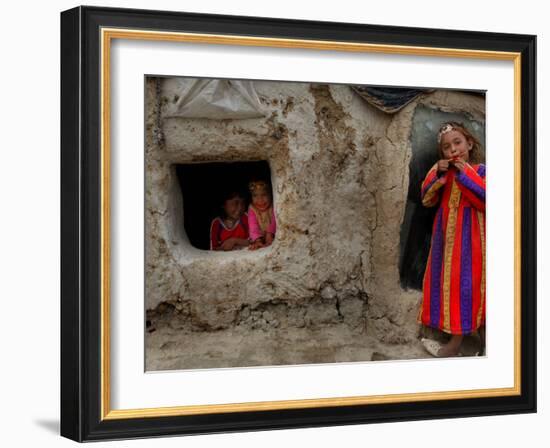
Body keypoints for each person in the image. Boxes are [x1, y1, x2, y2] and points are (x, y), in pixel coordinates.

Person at [418, 122, 486, 357]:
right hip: (446, 244)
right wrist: (438, 171)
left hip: (473, 243)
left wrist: (464, 171)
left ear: (470, 143)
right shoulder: (445, 175)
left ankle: (460, 346)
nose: (453, 149)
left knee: (470, 288)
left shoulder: (481, 171)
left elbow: (486, 198)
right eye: (447, 147)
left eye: (458, 142)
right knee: (455, 289)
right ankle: (471, 346)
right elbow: (426, 198)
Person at [247, 180, 277, 250]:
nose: (260, 200)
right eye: (255, 195)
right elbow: (253, 226)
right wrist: (257, 240)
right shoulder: (252, 208)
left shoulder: (274, 204)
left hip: (273, 235)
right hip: (259, 237)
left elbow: (275, 219)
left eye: (264, 195)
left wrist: (270, 233)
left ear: (271, 195)